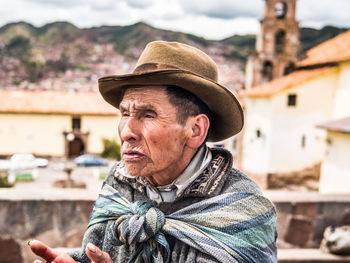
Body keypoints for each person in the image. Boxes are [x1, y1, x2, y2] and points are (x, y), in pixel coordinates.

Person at [29, 41, 277, 263]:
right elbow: (96, 251)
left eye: (148, 115)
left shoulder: (242, 212)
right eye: (125, 113)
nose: (127, 132)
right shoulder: (120, 182)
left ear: (195, 130)